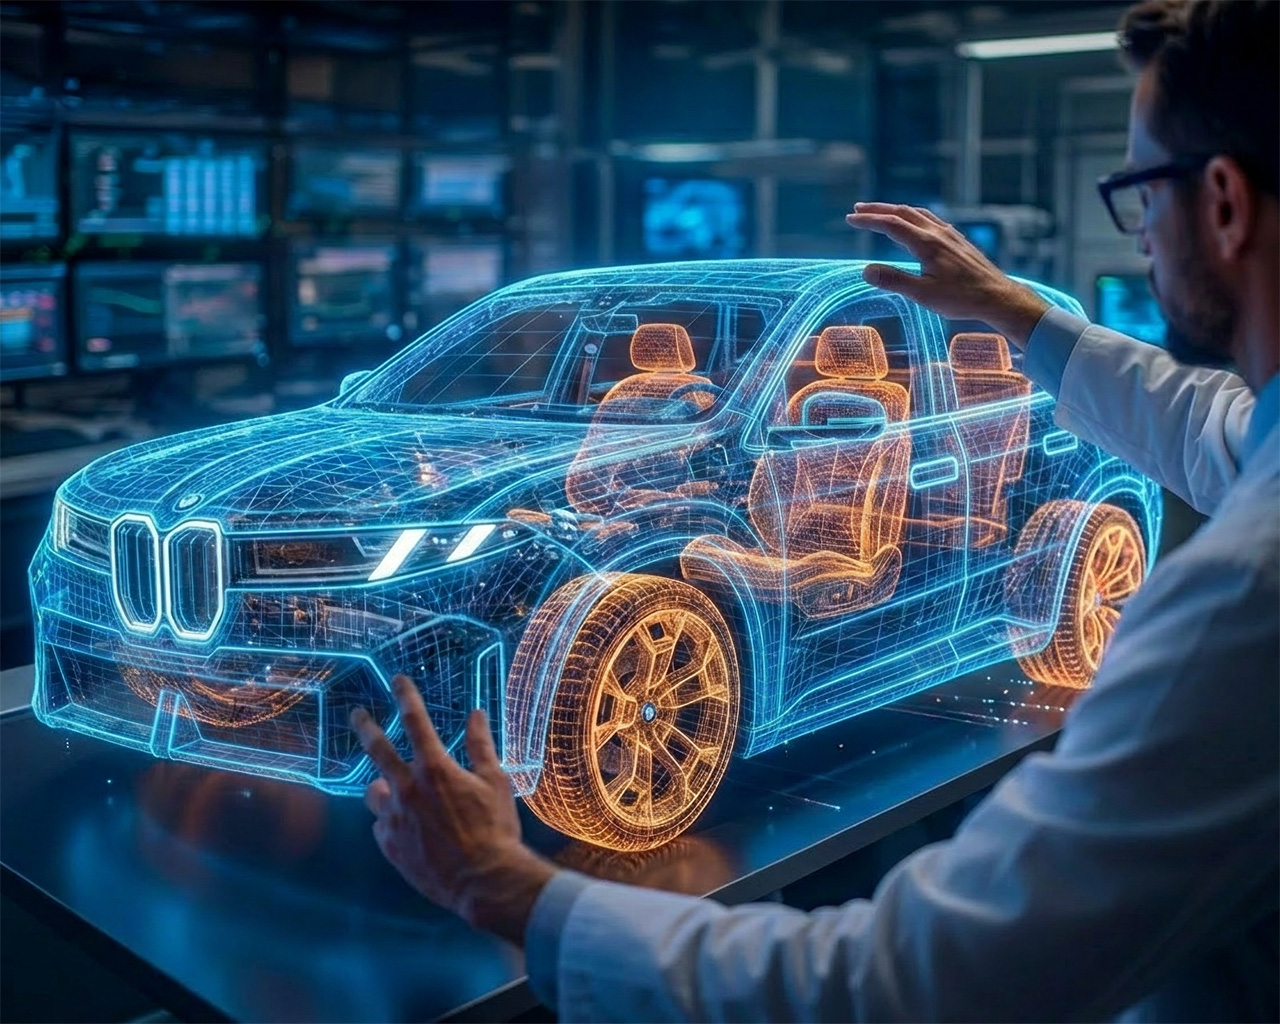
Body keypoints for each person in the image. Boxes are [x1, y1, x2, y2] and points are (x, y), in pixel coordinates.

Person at [349, 0, 1279, 1018]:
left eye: (1136, 191)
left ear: (1223, 203)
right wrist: (1016, 311)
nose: (1138, 235)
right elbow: (1212, 425)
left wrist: (511, 891)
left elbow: (918, 980)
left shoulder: (1241, 603)